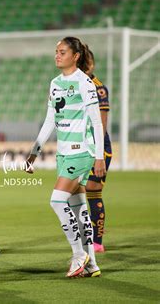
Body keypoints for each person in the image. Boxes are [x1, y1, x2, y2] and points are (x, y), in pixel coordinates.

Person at [26, 36, 105, 278]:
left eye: (62, 52)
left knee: (57, 201)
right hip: (64, 153)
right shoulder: (55, 83)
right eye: (56, 51)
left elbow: (96, 122)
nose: (57, 55)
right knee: (78, 206)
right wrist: (35, 149)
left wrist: (99, 157)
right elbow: (51, 119)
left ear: (76, 56)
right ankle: (91, 262)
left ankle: (78, 254)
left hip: (80, 152)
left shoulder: (85, 83)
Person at [83, 48, 112, 253]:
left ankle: (97, 241)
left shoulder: (98, 89)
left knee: (93, 190)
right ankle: (82, 238)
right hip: (78, 146)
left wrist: (98, 155)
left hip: (97, 147)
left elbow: (101, 126)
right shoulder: (72, 84)